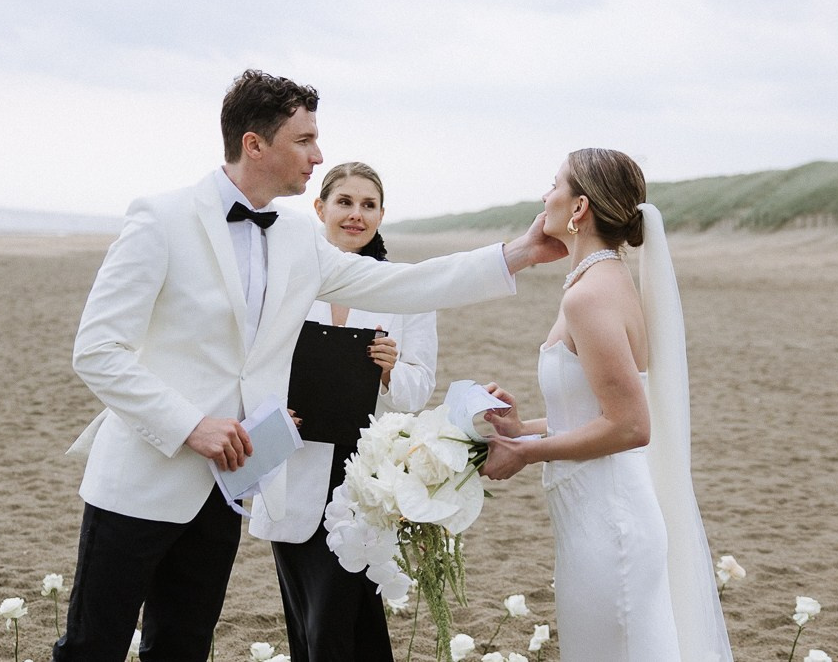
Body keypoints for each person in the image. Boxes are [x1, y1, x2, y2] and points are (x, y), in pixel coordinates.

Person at [56, 69, 565, 661]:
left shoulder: (298, 237)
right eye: (304, 141)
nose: (317, 154)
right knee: (92, 646)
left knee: (182, 647)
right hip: (140, 478)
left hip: (228, 484)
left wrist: (520, 253)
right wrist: (192, 425)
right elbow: (96, 350)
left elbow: (403, 284)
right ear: (255, 144)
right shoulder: (161, 219)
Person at [480, 148, 733, 661]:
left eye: (554, 184)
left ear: (579, 209)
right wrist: (521, 427)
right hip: (590, 514)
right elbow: (595, 414)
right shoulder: (595, 281)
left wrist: (529, 453)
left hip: (611, 522)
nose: (543, 195)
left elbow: (631, 427)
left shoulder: (590, 295)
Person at [249, 161, 437, 661]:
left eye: (368, 205)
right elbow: (251, 370)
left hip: (365, 481)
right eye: (345, 203)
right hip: (293, 462)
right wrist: (272, 413)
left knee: (337, 618)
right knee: (311, 619)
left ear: (380, 215)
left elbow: (418, 391)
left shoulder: (404, 288)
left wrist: (391, 369)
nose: (356, 215)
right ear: (320, 208)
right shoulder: (282, 282)